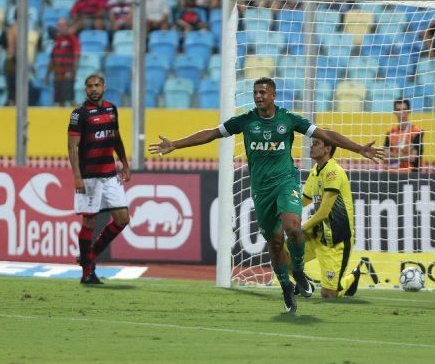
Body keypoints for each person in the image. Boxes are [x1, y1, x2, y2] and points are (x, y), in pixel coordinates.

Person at [149, 77, 384, 313]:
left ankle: (300, 272)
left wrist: (358, 148)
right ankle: (286, 288)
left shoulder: (288, 119)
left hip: (285, 181)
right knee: (275, 242)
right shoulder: (245, 121)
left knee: (293, 226)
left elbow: (326, 134)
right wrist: (176, 144)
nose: (258, 96)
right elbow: (211, 134)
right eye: (255, 93)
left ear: (273, 95)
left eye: (263, 92)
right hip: (261, 191)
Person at [68, 74, 131, 285]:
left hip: (110, 174)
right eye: (89, 86)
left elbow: (116, 138)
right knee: (89, 221)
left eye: (97, 85)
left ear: (104, 87)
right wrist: (77, 176)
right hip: (89, 176)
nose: (94, 89)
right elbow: (72, 147)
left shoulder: (112, 109)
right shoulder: (79, 114)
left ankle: (89, 256)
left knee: (122, 219)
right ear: (85, 89)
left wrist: (125, 162)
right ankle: (87, 271)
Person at [301, 137, 374, 298]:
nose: (311, 146)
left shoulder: (334, 172)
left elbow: (323, 213)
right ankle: (303, 285)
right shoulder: (315, 170)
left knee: (329, 294)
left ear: (328, 149)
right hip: (317, 233)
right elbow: (303, 201)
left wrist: (299, 229)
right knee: (281, 258)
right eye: (312, 143)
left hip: (336, 239)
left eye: (316, 143)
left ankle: (351, 279)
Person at [384, 99, 423, 171]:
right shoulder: (390, 133)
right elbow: (385, 158)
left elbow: (412, 158)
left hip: (412, 176)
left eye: (404, 109)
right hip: (392, 174)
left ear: (409, 111)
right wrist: (406, 155)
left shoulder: (417, 131)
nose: (401, 113)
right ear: (394, 112)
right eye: (398, 110)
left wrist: (392, 155)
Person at [49, 18, 80, 106]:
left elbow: (77, 56)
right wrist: (49, 74)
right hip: (58, 74)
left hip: (68, 73)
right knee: (59, 100)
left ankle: (78, 117)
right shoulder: (57, 40)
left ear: (67, 27)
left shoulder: (72, 39)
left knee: (70, 99)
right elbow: (53, 57)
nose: (61, 28)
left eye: (63, 25)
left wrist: (73, 72)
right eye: (59, 25)